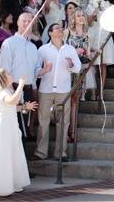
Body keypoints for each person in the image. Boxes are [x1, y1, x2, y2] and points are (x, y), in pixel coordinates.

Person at [33, 23, 82, 161]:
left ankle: (61, 153)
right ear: (50, 33)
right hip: (46, 89)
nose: (60, 30)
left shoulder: (70, 49)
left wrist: (71, 65)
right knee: (43, 121)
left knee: (64, 122)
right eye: (57, 28)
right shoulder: (42, 50)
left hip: (63, 90)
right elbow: (35, 70)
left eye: (61, 28)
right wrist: (44, 70)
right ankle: (40, 152)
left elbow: (78, 68)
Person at [0, 12, 41, 144]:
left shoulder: (33, 47)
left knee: (23, 129)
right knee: (13, 128)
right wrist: (12, 93)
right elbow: (4, 69)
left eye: (30, 21)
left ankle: (20, 162)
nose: (27, 23)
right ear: (17, 23)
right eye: (24, 21)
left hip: (27, 90)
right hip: (13, 89)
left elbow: (34, 72)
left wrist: (35, 87)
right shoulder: (9, 43)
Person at [85, 0, 114, 95]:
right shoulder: (90, 5)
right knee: (92, 63)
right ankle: (91, 91)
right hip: (94, 35)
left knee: (103, 64)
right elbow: (90, 23)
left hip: (104, 34)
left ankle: (101, 91)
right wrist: (94, 12)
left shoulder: (106, 4)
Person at [64, 8, 90, 140]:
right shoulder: (67, 32)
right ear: (73, 18)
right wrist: (75, 50)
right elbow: (61, 50)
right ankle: (65, 131)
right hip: (68, 70)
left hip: (81, 69)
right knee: (67, 98)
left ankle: (73, 132)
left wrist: (92, 52)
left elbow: (88, 53)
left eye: (83, 16)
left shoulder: (87, 34)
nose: (81, 18)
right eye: (78, 15)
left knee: (75, 99)